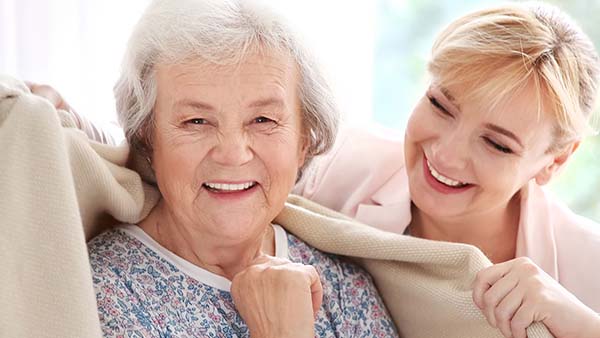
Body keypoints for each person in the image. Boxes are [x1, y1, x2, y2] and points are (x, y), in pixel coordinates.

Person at [84, 0, 398, 337]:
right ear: (148, 138)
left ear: (304, 141)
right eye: (197, 121)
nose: (233, 155)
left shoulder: (345, 289)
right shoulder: (100, 292)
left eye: (263, 120)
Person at [293, 2, 600, 338]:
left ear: (555, 162)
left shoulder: (588, 263)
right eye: (440, 105)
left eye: (497, 144)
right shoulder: (336, 166)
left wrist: (582, 325)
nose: (446, 155)